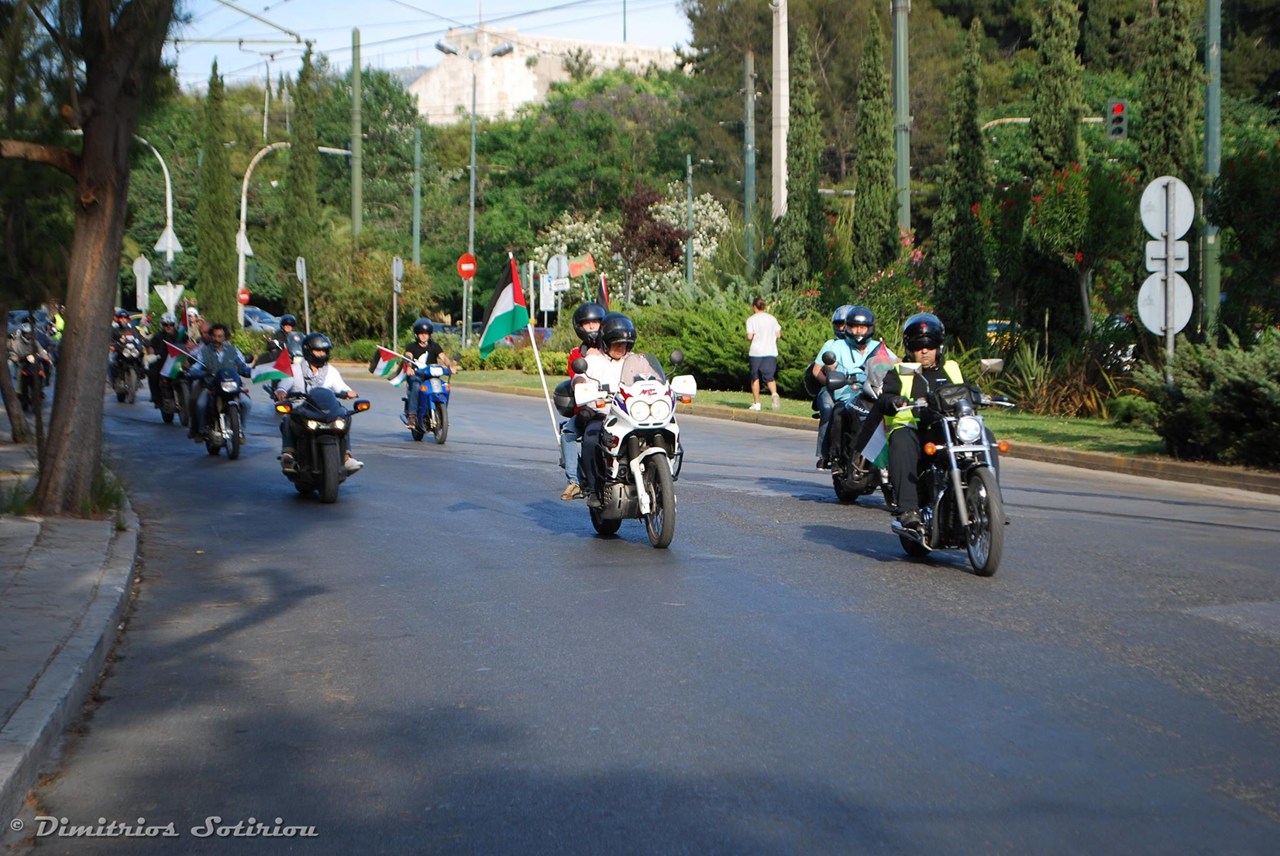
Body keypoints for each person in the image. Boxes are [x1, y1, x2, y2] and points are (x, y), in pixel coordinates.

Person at [877, 312, 995, 531]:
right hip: (916, 430)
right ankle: (908, 509)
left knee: (985, 435)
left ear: (939, 346)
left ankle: (990, 500)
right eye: (919, 345)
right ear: (909, 347)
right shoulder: (899, 372)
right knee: (901, 439)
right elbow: (884, 397)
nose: (924, 350)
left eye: (930, 345)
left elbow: (966, 389)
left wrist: (982, 395)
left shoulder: (952, 368)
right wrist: (894, 400)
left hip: (948, 428)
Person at [577, 312, 642, 504]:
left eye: (624, 343)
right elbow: (579, 379)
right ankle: (594, 489)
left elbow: (653, 378)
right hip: (605, 416)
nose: (621, 347)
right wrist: (581, 386)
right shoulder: (593, 361)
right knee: (590, 439)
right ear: (605, 342)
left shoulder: (636, 361)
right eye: (616, 343)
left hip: (632, 416)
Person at [275, 332, 363, 473]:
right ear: (308, 351)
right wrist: (281, 391)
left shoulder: (331, 371)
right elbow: (283, 384)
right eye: (318, 350)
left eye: (324, 351)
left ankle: (346, 457)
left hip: (326, 408)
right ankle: (289, 454)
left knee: (345, 417)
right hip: (302, 407)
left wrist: (348, 392)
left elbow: (341, 386)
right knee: (287, 418)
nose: (321, 354)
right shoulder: (295, 369)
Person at [823, 306, 898, 471]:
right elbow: (830, 366)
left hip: (873, 393)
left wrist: (906, 367)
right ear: (848, 327)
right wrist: (832, 367)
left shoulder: (878, 347)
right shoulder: (838, 345)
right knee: (837, 413)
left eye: (862, 327)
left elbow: (896, 362)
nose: (858, 331)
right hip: (847, 393)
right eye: (855, 327)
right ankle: (835, 457)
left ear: (869, 328)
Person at [559, 302, 606, 500]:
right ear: (581, 328)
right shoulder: (576, 355)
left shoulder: (613, 348)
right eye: (589, 324)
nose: (593, 327)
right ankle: (575, 481)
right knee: (568, 431)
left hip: (620, 407)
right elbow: (576, 378)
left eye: (596, 322)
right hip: (590, 408)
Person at [186, 323, 252, 441]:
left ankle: (241, 431)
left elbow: (242, 365)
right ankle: (201, 431)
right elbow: (195, 368)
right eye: (215, 336)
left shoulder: (234, 350)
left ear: (225, 337)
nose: (217, 339)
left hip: (232, 385)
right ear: (211, 336)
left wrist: (251, 372)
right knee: (200, 404)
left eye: (220, 336)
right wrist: (199, 373)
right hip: (211, 386)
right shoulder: (204, 351)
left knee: (247, 402)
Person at [808, 305, 854, 468]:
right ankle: (824, 454)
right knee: (828, 410)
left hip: (856, 390)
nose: (841, 328)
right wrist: (829, 383)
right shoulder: (830, 344)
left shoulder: (864, 346)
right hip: (831, 390)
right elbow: (816, 371)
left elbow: (883, 360)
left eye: (845, 324)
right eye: (838, 324)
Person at [401, 319, 459, 430]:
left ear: (430, 335)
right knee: (417, 386)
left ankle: (442, 415)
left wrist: (450, 366)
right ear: (416, 335)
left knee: (444, 387)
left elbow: (444, 358)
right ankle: (412, 416)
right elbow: (408, 357)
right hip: (416, 376)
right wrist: (409, 366)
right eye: (421, 333)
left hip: (431, 376)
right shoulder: (411, 346)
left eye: (426, 334)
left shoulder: (435, 346)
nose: (423, 336)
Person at [745, 297, 783, 411]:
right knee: (769, 377)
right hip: (770, 351)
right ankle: (774, 394)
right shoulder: (772, 319)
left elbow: (749, 336)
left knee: (755, 377)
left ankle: (757, 403)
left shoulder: (751, 320)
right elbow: (778, 334)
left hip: (756, 352)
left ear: (754, 307)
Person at [145, 312, 182, 407]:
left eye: (171, 324)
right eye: (166, 324)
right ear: (162, 325)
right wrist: (152, 353)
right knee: (152, 372)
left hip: (178, 363)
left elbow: (189, 345)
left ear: (175, 325)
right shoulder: (158, 336)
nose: (168, 327)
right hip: (162, 363)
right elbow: (151, 346)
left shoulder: (181, 336)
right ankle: (156, 398)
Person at [8, 320, 52, 389]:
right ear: (23, 333)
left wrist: (45, 356)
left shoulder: (34, 341)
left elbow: (41, 350)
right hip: (22, 363)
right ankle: (19, 392)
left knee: (42, 370)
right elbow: (13, 354)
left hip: (33, 363)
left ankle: (41, 388)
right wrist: (15, 357)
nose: (29, 335)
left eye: (30, 333)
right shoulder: (17, 342)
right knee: (19, 373)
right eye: (27, 334)